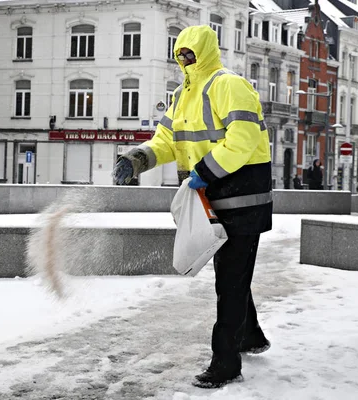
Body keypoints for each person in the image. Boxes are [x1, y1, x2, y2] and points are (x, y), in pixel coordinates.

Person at [113, 25, 272, 389]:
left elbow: (244, 140)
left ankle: (225, 364)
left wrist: (203, 172)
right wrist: (137, 159)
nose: (184, 59)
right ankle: (251, 337)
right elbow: (166, 140)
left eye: (190, 53)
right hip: (214, 199)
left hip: (242, 200)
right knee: (233, 276)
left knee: (230, 282)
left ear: (204, 51)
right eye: (179, 53)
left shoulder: (227, 84)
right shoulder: (182, 94)